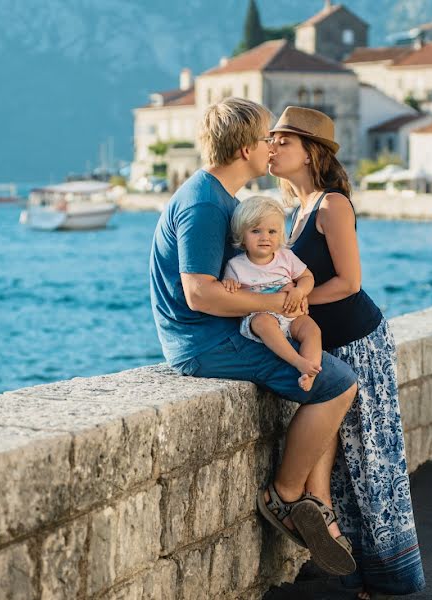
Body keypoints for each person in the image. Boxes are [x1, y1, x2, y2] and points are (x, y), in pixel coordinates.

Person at [149, 97, 358, 576]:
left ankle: (314, 498)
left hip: (223, 333)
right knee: (337, 383)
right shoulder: (204, 205)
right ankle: (284, 497)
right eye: (267, 137)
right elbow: (200, 294)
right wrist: (277, 304)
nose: (272, 146)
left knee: (328, 376)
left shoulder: (222, 199)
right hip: (205, 344)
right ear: (247, 149)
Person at [268, 106, 426, 598]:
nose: (271, 147)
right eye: (270, 139)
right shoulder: (296, 211)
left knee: (370, 455)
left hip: (360, 342)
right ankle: (352, 568)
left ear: (311, 152)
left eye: (283, 141)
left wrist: (292, 300)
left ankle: (389, 575)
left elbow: (350, 283)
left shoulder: (332, 205)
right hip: (330, 344)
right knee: (340, 462)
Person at [221, 196, 322, 391]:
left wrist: (300, 291)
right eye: (256, 231)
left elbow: (308, 278)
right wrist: (229, 283)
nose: (264, 237)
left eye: (272, 231)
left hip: (290, 315)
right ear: (242, 236)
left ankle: (309, 371)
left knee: (312, 329)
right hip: (260, 315)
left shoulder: (286, 257)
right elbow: (230, 295)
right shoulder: (235, 266)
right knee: (263, 322)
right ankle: (297, 361)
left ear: (280, 235)